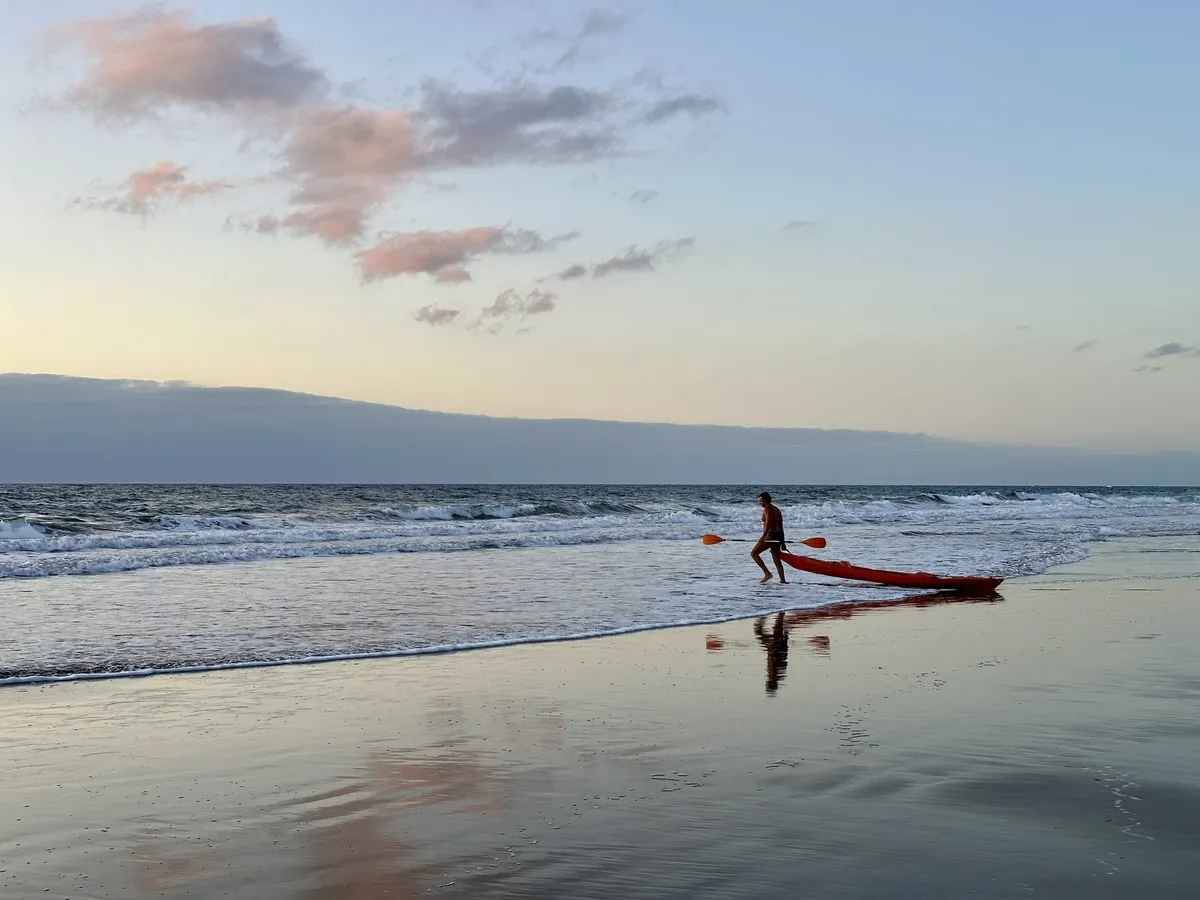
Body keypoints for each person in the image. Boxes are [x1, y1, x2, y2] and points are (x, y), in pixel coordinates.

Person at [751, 491, 788, 584]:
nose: (759, 503)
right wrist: (783, 542)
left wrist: (762, 537)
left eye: (760, 501)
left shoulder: (767, 509)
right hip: (778, 535)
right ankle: (783, 581)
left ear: (765, 500)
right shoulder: (777, 509)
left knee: (754, 553)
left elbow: (768, 525)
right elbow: (781, 527)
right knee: (777, 560)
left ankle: (767, 573)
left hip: (770, 535)